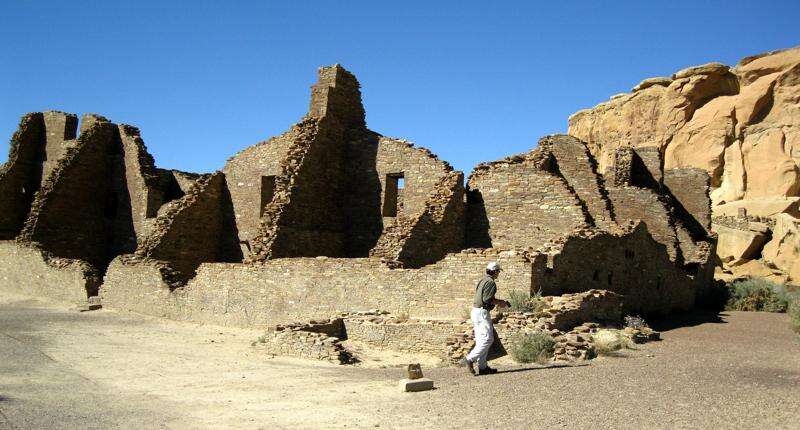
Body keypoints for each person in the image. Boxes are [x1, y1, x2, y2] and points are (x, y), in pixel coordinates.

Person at [459, 261, 509, 376]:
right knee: (488, 339)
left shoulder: (482, 280)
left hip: (476, 311)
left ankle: (483, 367)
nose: (498, 274)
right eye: (498, 272)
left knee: (481, 340)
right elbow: (487, 299)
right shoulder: (491, 282)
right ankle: (469, 359)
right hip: (482, 312)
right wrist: (501, 302)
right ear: (495, 271)